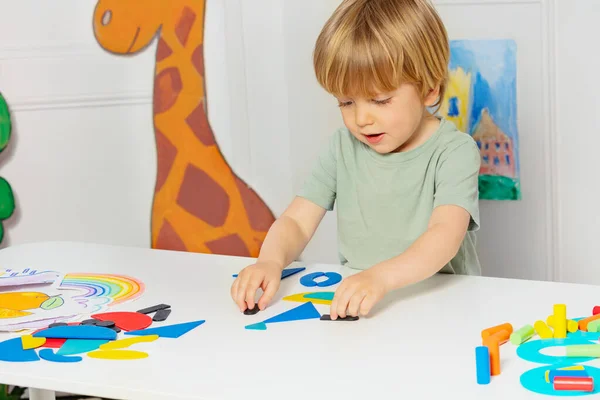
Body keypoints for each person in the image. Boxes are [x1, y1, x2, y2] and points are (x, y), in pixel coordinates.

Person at [230, 0, 481, 320]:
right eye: (346, 101)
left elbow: (444, 235)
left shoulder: (454, 151)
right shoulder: (341, 147)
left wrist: (380, 277)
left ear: (430, 90)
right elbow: (296, 221)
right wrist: (270, 260)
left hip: (442, 302)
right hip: (363, 301)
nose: (361, 118)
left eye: (379, 100)